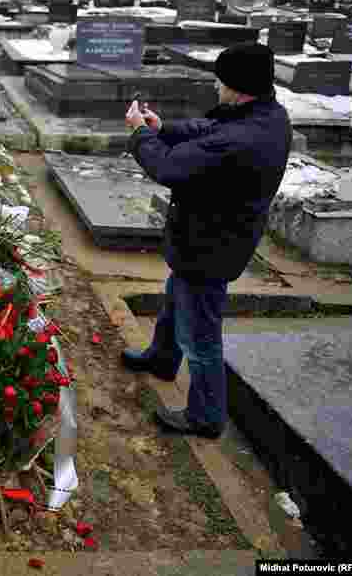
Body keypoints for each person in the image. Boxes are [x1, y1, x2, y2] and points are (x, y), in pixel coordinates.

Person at [121, 42, 292, 439]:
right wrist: (163, 128)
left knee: (200, 336)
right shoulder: (265, 115)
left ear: (237, 87)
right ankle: (162, 359)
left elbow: (167, 166)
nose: (217, 88)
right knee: (176, 298)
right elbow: (210, 128)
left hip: (210, 245)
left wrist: (140, 135)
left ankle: (206, 416)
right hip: (210, 238)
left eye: (221, 82)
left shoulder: (241, 139)